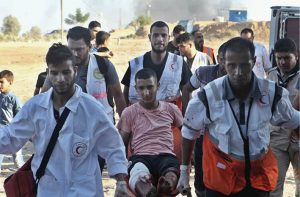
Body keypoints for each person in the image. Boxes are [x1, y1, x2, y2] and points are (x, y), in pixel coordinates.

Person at [0, 43, 129, 196]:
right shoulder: (35, 108)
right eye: (54, 73)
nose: (60, 79)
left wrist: (121, 182)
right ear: (48, 73)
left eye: (66, 72)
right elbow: (10, 137)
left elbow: (112, 146)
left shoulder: (91, 109)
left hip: (84, 191)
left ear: (74, 71)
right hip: (48, 190)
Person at [177, 37, 300, 197]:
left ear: (254, 61)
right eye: (231, 65)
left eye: (244, 65)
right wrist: (184, 173)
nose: (238, 72)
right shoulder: (208, 96)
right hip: (221, 179)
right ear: (223, 63)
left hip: (257, 180)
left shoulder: (271, 94)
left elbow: (294, 119)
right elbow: (188, 133)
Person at [117, 68, 183, 197]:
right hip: (140, 157)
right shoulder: (130, 112)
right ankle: (149, 191)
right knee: (138, 177)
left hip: (166, 155)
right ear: (136, 89)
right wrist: (122, 170)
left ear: (157, 86)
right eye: (141, 88)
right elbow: (121, 144)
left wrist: (188, 159)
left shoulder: (171, 109)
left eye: (150, 87)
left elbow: (187, 135)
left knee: (171, 174)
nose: (146, 92)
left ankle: (165, 184)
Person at [42, 26, 126, 123]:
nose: (74, 54)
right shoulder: (59, 68)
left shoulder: (103, 65)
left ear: (89, 47)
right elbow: (44, 97)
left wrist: (124, 126)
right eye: (71, 49)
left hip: (102, 125)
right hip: (70, 127)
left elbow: (118, 95)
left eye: (79, 49)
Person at [181, 42, 227, 197]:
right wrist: (188, 114)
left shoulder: (239, 79)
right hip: (203, 132)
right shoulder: (204, 73)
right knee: (200, 174)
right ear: (218, 59)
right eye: (222, 59)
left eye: (228, 60)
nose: (225, 64)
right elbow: (187, 88)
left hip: (226, 134)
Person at [121, 21, 192, 107]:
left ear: (169, 38)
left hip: (171, 119)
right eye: (155, 35)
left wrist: (186, 118)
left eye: (163, 35)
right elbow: (125, 94)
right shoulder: (135, 64)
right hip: (140, 118)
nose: (159, 39)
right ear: (149, 37)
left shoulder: (179, 63)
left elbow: (187, 92)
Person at [267, 38, 300, 197]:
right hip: (277, 137)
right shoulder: (271, 75)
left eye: (287, 58)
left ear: (296, 56)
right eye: (279, 58)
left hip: (299, 136)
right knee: (273, 185)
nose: (282, 62)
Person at [0, 70, 24, 173]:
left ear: (10, 82)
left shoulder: (14, 99)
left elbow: (20, 116)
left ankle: (25, 179)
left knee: (18, 160)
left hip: (13, 132)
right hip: (1, 132)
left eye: (2, 82)